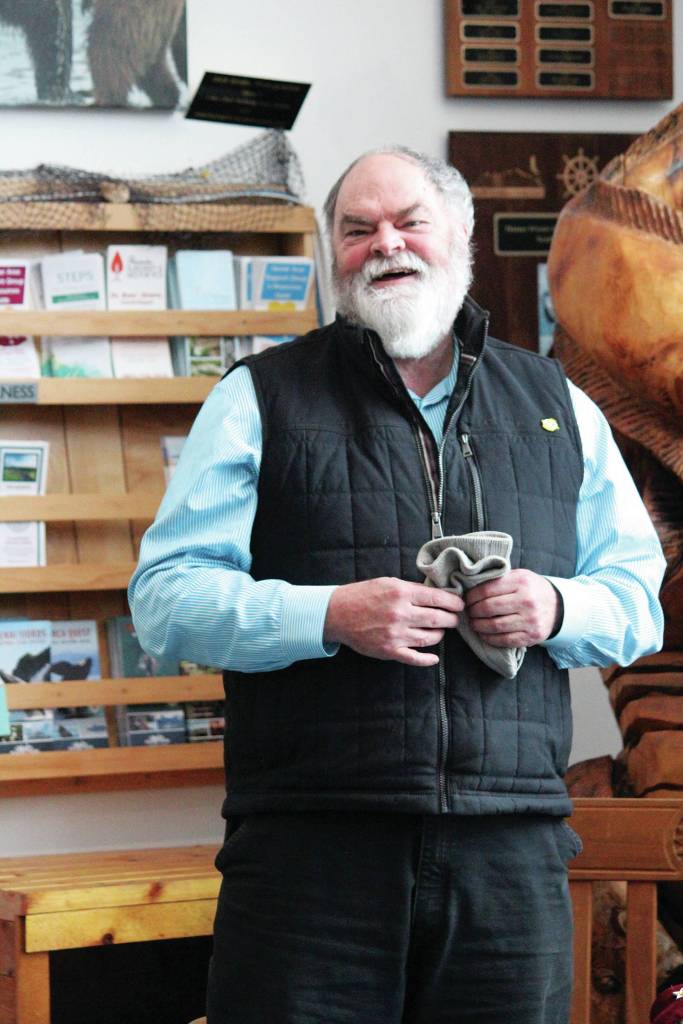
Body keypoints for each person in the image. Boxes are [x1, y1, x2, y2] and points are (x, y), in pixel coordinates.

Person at [129, 146, 666, 1024]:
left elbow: (637, 601)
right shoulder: (257, 397)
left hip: (510, 854)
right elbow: (165, 600)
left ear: (457, 235)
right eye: (357, 228)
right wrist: (328, 615)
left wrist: (558, 605)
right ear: (330, 251)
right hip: (311, 850)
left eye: (410, 221)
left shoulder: (558, 402)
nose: (386, 244)